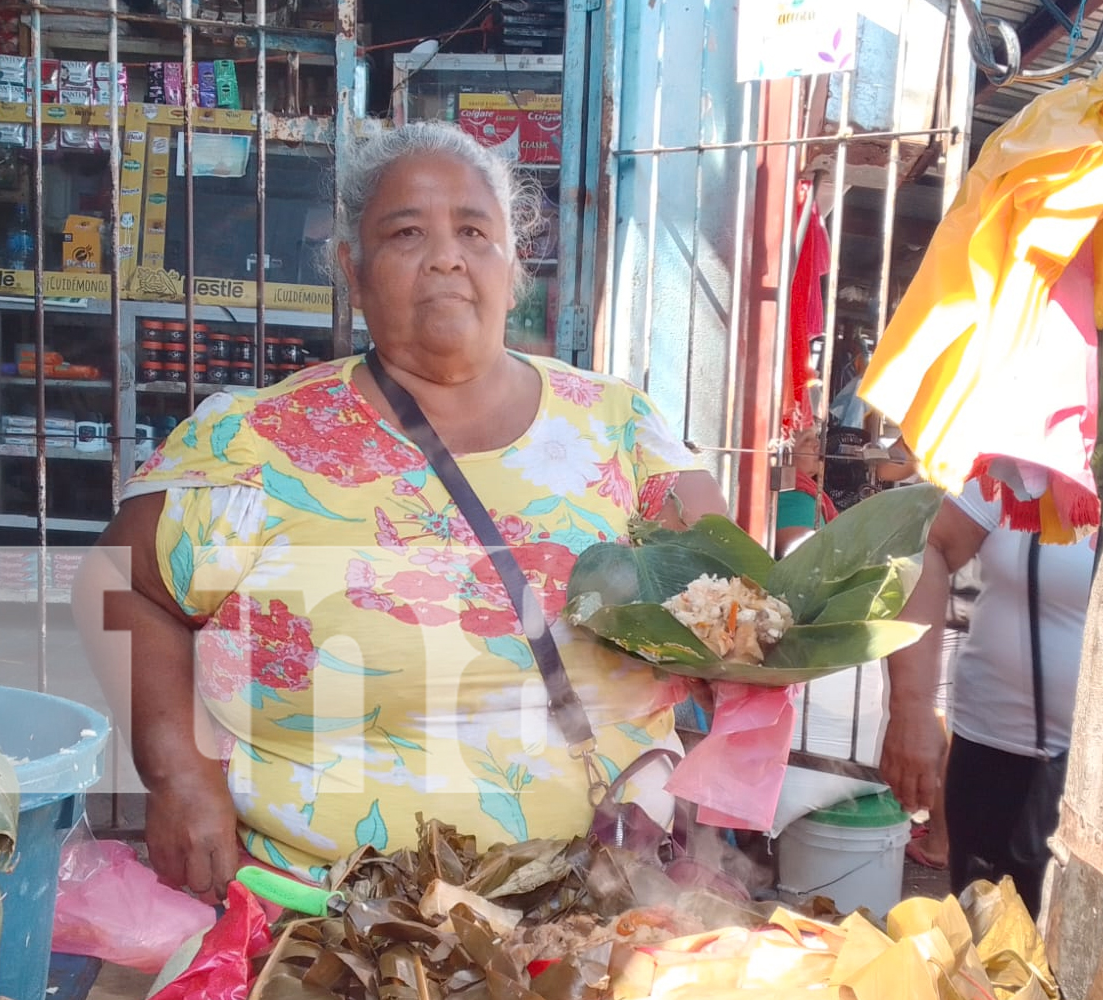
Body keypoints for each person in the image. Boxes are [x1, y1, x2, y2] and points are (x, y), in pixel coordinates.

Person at [73, 121, 728, 901]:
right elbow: (117, 584)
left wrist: (720, 801)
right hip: (321, 919)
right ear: (354, 268)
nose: (447, 255)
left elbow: (730, 622)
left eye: (474, 230)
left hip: (599, 906)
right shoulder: (256, 443)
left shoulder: (622, 432)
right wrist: (180, 774)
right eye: (407, 231)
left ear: (513, 266)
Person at [879, 479, 1093, 916]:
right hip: (997, 758)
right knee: (988, 954)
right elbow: (927, 541)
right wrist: (911, 707)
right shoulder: (1028, 459)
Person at [773, 425, 835, 556]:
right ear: (785, 454)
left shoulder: (802, 491)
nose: (818, 445)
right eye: (807, 440)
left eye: (816, 437)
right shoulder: (792, 498)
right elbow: (804, 560)